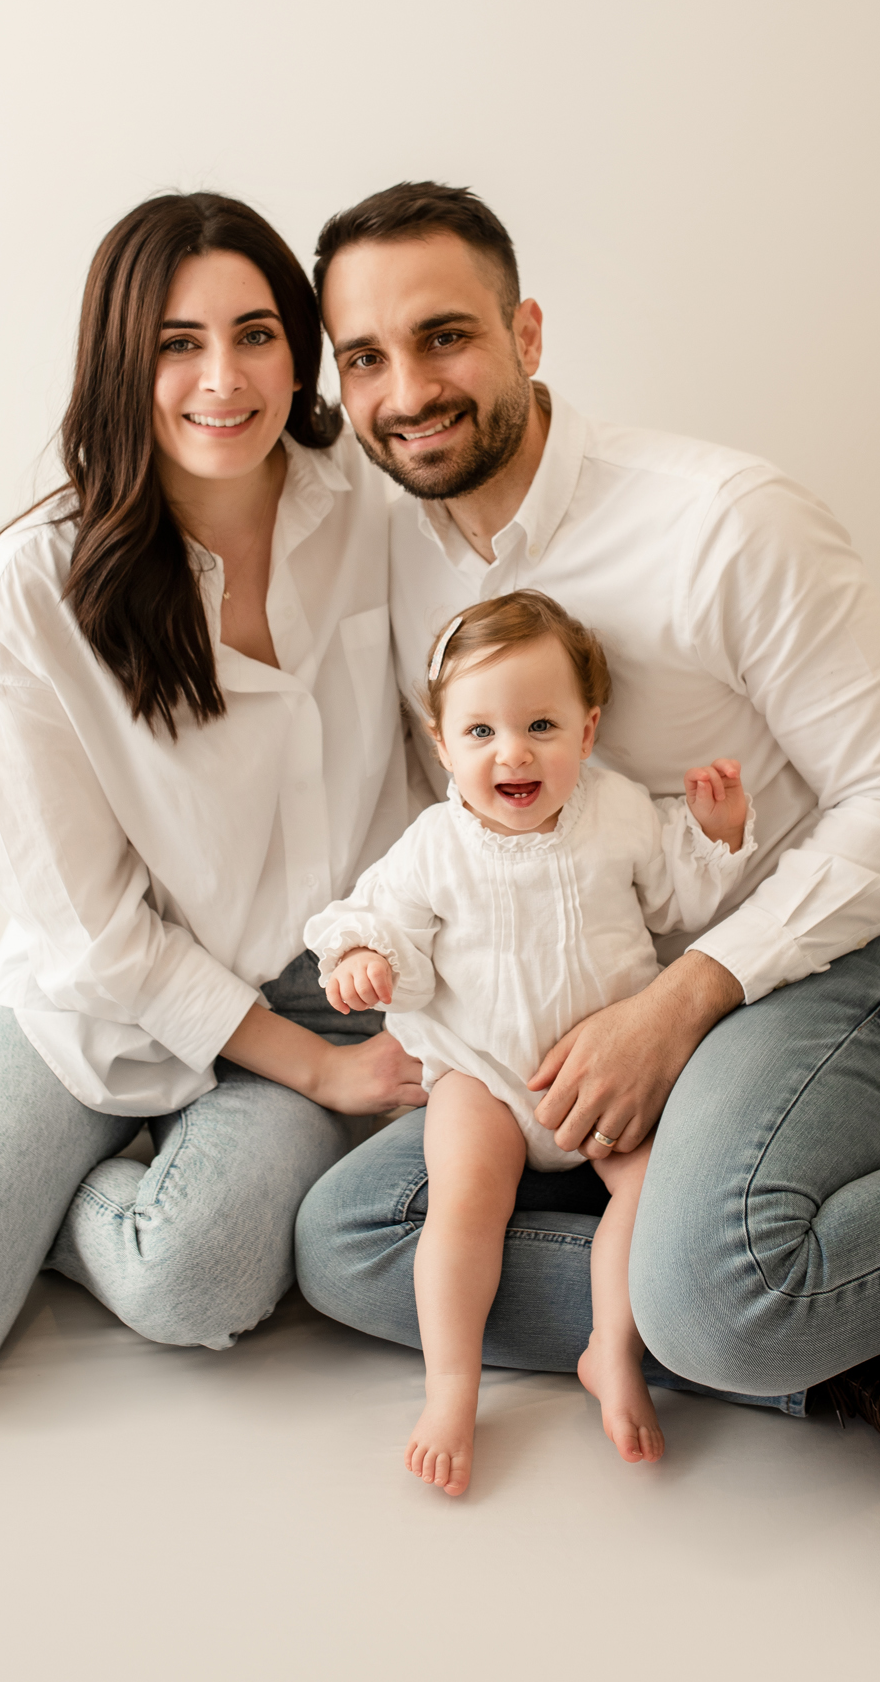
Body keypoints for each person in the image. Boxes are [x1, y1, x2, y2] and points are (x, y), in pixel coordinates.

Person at [295, 178, 880, 1567]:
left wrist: (688, 1002)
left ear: (527, 332)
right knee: (347, 1249)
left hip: (844, 967)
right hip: (588, 1021)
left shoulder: (724, 520)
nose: (407, 389)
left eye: (444, 336)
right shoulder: (406, 562)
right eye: (364, 357)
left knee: (707, 1298)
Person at [0, 191, 426, 1421]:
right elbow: (94, 934)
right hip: (100, 1001)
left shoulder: (372, 505)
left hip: (327, 977)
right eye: (177, 342)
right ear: (119, 358)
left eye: (258, 333)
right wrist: (322, 1073)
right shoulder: (19, 601)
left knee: (197, 1278)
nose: (225, 377)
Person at [307, 590, 754, 1494]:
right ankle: (452, 1386)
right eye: (479, 733)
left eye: (539, 725)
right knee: (463, 1202)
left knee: (649, 1195)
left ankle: (610, 1350)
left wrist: (716, 836)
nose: (511, 752)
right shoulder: (435, 844)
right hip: (485, 1081)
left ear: (586, 734)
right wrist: (360, 955)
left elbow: (679, 905)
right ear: (441, 745)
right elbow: (375, 914)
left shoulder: (619, 811)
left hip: (610, 1077)